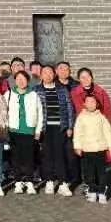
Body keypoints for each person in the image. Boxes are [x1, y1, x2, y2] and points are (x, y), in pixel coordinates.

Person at [34, 65, 74, 197]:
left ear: (54, 74)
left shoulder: (62, 89)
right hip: (44, 128)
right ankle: (49, 181)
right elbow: (33, 110)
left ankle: (63, 183)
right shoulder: (36, 90)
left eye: (50, 72)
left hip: (59, 127)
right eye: (45, 73)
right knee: (47, 156)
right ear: (41, 75)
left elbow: (69, 107)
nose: (48, 75)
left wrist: (70, 126)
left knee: (60, 155)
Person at [73, 93, 111, 204]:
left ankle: (102, 192)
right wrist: (77, 146)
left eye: (93, 102)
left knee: (101, 173)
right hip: (87, 150)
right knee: (89, 173)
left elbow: (108, 133)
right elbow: (77, 133)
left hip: (100, 149)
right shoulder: (81, 118)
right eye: (88, 102)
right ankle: (92, 191)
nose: (91, 104)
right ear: (84, 104)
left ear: (97, 104)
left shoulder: (101, 117)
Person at [4, 71, 43, 195]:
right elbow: (3, 113)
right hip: (13, 130)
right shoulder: (8, 94)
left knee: (29, 158)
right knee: (15, 158)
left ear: (28, 80)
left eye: (23, 79)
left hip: (29, 130)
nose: (21, 81)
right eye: (18, 79)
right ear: (15, 81)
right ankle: (18, 182)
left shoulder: (33, 94)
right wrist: (5, 130)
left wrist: (38, 130)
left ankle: (30, 182)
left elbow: (40, 113)